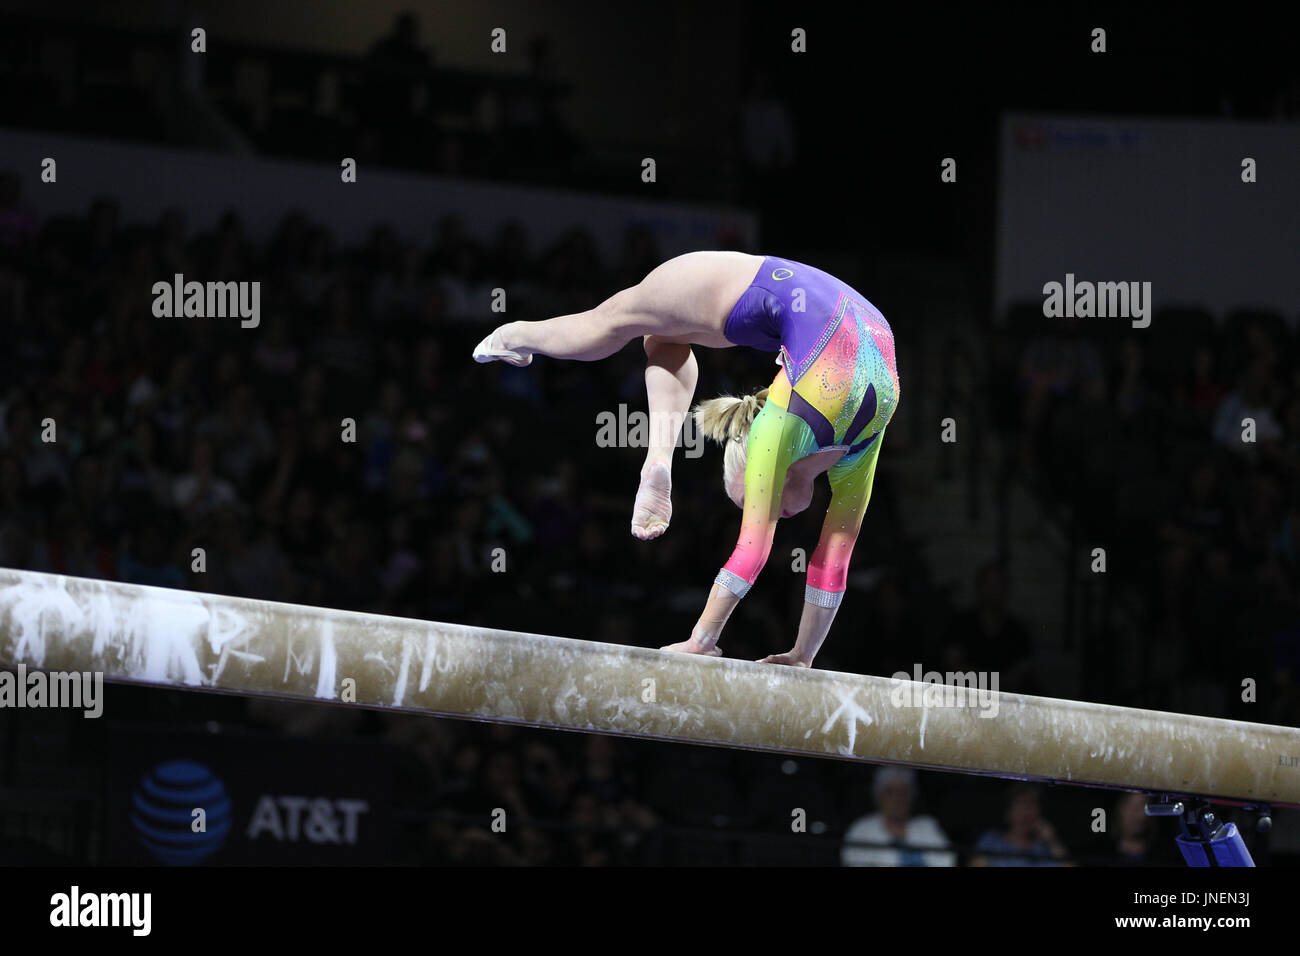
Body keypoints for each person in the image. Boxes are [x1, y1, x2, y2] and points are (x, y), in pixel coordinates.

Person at [473, 251, 899, 667]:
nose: (769, 509)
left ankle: (659, 458)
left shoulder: (852, 441)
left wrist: (801, 655)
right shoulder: (813, 435)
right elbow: (768, 554)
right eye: (754, 497)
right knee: (607, 323)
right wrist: (704, 640)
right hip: (732, 284)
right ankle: (513, 334)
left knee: (656, 338)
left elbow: (827, 559)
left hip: (784, 303)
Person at [842, 768, 955, 867]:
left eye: (903, 793)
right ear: (878, 796)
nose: (898, 799)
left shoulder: (927, 826)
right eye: (890, 793)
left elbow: (948, 860)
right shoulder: (862, 829)